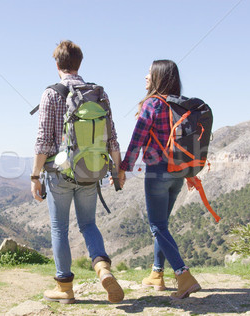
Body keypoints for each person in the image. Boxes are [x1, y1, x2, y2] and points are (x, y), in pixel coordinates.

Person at [31, 40, 124, 304]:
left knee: (59, 228)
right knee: (88, 224)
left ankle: (65, 288)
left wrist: (35, 176)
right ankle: (102, 268)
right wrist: (117, 171)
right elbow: (112, 138)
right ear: (79, 63)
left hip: (58, 173)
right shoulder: (98, 93)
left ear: (58, 64)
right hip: (91, 171)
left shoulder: (51, 94)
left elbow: (43, 142)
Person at [118, 59, 201, 299]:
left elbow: (137, 140)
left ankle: (183, 276)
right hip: (179, 172)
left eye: (149, 73)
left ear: (159, 78)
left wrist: (124, 168)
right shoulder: (182, 106)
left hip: (158, 171)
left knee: (157, 226)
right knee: (162, 225)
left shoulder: (153, 104)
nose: (145, 76)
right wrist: (190, 173)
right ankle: (156, 274)